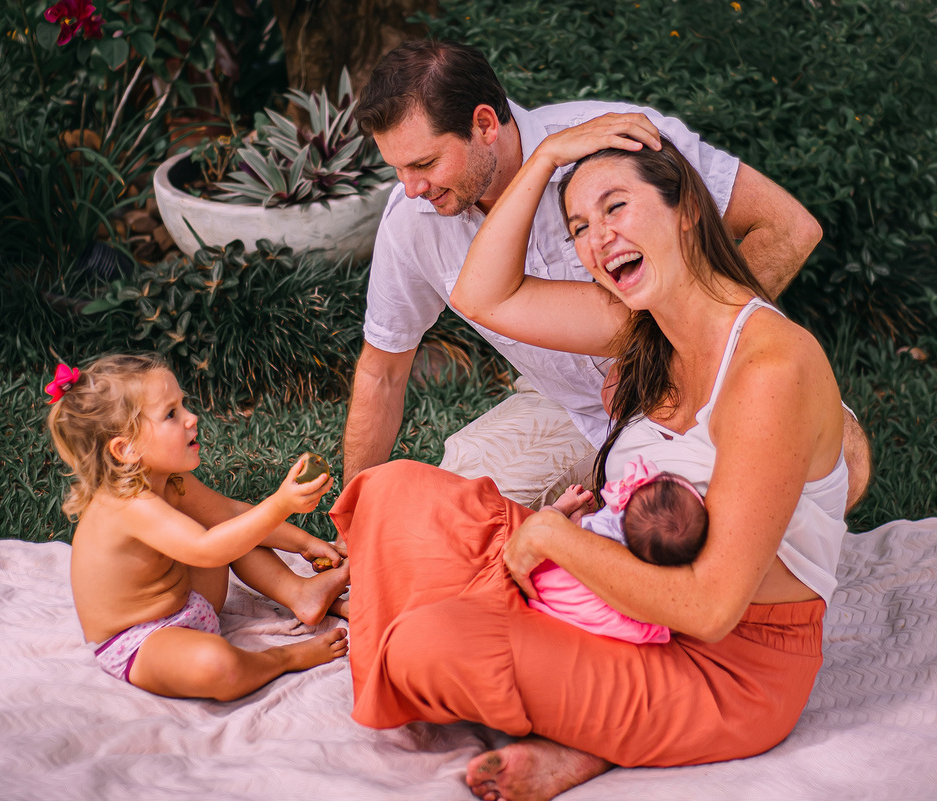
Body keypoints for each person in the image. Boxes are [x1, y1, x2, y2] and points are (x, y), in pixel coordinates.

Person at [331, 132, 849, 800]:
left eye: (616, 208)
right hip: (608, 600)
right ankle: (568, 692)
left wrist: (552, 538)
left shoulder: (770, 368)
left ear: (686, 209)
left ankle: (588, 735)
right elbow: (484, 295)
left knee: (425, 646)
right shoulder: (642, 325)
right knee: (388, 492)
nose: (598, 238)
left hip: (724, 666)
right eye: (578, 225)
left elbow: (712, 607)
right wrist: (547, 156)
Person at [342, 40, 870, 511]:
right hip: (572, 411)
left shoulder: (618, 144)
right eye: (398, 169)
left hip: (698, 380)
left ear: (484, 124)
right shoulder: (410, 222)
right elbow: (381, 373)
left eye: (425, 164)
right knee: (449, 517)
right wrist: (354, 520)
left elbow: (786, 227)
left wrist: (678, 351)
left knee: (828, 463)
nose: (411, 188)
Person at [45, 354, 350, 701]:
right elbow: (207, 550)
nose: (192, 418)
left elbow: (229, 514)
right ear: (126, 448)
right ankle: (283, 658)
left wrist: (305, 544)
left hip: (190, 603)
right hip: (143, 642)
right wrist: (280, 504)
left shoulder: (171, 480)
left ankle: (302, 594)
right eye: (171, 414)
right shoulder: (127, 505)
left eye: (183, 405)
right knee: (217, 666)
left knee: (231, 525)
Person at [528, 457, 708, 645]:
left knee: (548, 523)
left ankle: (561, 508)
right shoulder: (647, 573)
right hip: (579, 604)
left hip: (548, 576)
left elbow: (556, 534)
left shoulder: (608, 528)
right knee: (650, 625)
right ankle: (574, 519)